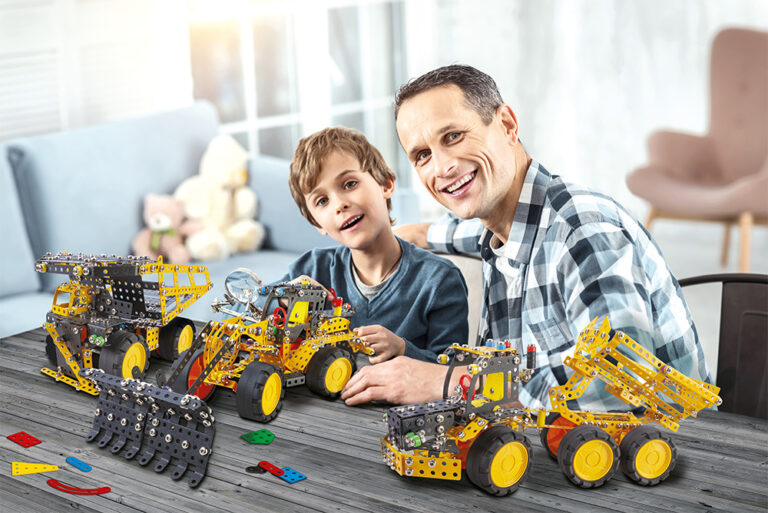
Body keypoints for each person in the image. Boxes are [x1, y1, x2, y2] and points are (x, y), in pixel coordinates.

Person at [342, 64, 711, 410]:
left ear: (506, 124)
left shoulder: (582, 232)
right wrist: (418, 233)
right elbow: (463, 231)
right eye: (422, 155)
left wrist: (449, 381)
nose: (442, 167)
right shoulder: (499, 224)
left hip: (669, 450)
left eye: (453, 136)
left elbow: (620, 381)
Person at [277, 126, 469, 364]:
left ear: (386, 185)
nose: (339, 204)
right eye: (322, 201)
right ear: (318, 224)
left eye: (349, 184)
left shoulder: (439, 280)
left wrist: (402, 349)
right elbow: (248, 312)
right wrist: (281, 298)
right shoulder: (311, 269)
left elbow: (455, 369)